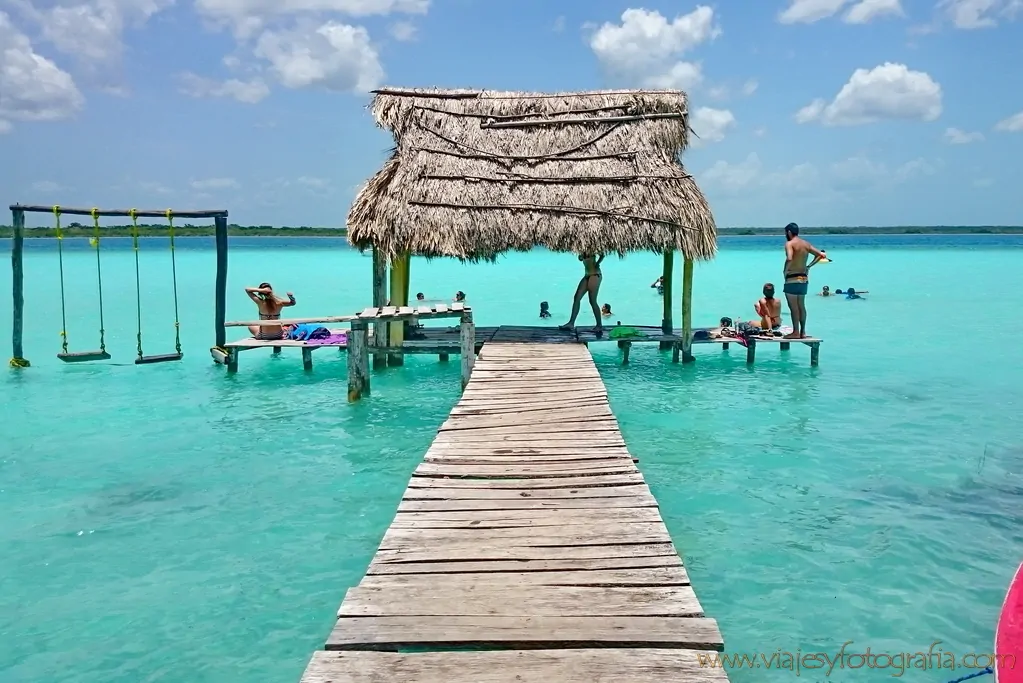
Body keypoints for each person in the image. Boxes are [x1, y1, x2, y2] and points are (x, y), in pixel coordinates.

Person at [781, 223, 828, 339]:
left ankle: (795, 332)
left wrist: (785, 270)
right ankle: (803, 332)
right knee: (801, 305)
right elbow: (821, 255)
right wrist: (808, 266)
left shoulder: (789, 244)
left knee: (793, 307)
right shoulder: (805, 244)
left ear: (789, 232)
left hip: (792, 278)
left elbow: (790, 258)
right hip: (803, 278)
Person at [559, 252, 604, 335]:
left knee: (592, 301)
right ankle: (571, 323)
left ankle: (599, 325)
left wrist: (597, 263)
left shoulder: (593, 248)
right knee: (577, 298)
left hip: (595, 275)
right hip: (587, 275)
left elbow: (602, 254)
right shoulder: (583, 249)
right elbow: (580, 258)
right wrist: (582, 255)